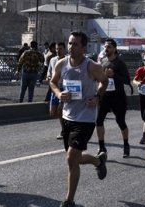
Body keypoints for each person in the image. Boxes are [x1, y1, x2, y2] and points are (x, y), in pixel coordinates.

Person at [49, 31, 108, 207]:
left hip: (86, 118)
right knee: (75, 158)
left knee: (71, 158)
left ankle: (69, 200)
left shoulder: (92, 66)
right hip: (67, 116)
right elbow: (52, 82)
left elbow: (104, 81)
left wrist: (97, 97)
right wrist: (59, 93)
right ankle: (98, 161)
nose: (70, 47)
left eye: (75, 44)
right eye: (69, 43)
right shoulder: (61, 64)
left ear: (83, 47)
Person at [96, 39, 132, 157]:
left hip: (118, 96)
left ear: (115, 49)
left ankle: (126, 145)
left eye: (109, 47)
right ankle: (102, 147)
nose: (106, 49)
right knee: (98, 121)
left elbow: (127, 80)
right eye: (105, 47)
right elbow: (99, 78)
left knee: (120, 121)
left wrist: (114, 75)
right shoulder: (102, 61)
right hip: (105, 96)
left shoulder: (120, 63)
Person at [47, 42, 67, 139]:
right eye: (57, 49)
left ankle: (64, 130)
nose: (58, 51)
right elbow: (49, 72)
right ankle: (66, 126)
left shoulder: (67, 61)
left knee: (60, 110)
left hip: (64, 87)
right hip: (55, 87)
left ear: (64, 50)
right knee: (53, 112)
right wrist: (49, 77)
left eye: (60, 49)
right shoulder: (52, 60)